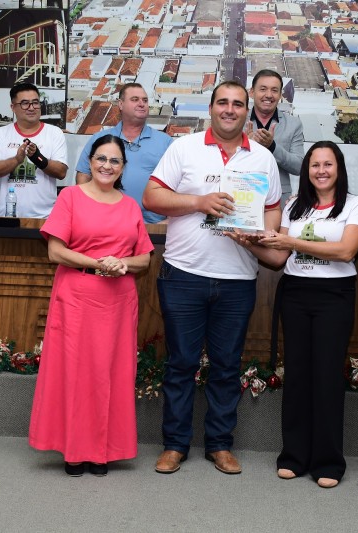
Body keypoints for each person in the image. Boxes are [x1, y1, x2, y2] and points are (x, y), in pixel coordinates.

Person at [142, 80, 282, 476]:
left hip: (237, 280)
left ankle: (220, 445)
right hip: (183, 275)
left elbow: (272, 214)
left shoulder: (262, 160)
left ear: (247, 110)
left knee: (226, 365)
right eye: (223, 102)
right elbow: (151, 198)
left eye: (239, 104)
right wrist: (199, 202)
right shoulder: (184, 148)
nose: (230, 109)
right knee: (181, 364)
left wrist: (259, 233)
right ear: (211, 107)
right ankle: (174, 446)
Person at [239, 141, 358, 489]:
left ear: (338, 168)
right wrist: (245, 242)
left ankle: (328, 461)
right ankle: (293, 456)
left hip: (334, 297)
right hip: (295, 293)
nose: (321, 171)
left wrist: (293, 243)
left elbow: (345, 251)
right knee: (296, 375)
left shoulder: (357, 205)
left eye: (328, 164)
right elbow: (278, 259)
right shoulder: (294, 206)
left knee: (327, 376)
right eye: (314, 165)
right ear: (306, 171)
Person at [28, 135, 154, 477]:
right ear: (90, 161)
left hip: (118, 300)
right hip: (77, 296)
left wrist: (122, 263)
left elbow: (144, 258)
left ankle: (102, 452)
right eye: (101, 158)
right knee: (74, 373)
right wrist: (100, 263)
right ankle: (74, 449)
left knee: (110, 374)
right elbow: (55, 251)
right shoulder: (70, 197)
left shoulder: (130, 206)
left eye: (115, 161)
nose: (107, 166)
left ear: (123, 168)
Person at [76, 83, 172, 223]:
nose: (141, 104)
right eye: (135, 99)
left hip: (152, 227)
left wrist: (168, 222)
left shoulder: (165, 143)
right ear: (120, 104)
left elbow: (179, 184)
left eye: (145, 100)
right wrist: (88, 212)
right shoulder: (100, 139)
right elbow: (82, 177)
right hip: (105, 223)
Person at [0, 83, 68, 218]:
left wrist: (38, 158)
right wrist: (17, 160)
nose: (31, 108)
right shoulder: (1, 134)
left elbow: (61, 172)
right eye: (25, 103)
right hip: (6, 216)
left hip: (45, 217)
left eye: (35, 103)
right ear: (13, 107)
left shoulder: (54, 133)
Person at [246, 69, 304, 204]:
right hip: (243, 194)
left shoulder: (293, 124)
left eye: (274, 90)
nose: (268, 95)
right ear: (252, 92)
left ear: (280, 95)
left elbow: (299, 166)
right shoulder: (238, 120)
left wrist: (272, 147)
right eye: (263, 89)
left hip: (279, 199)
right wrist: (247, 147)